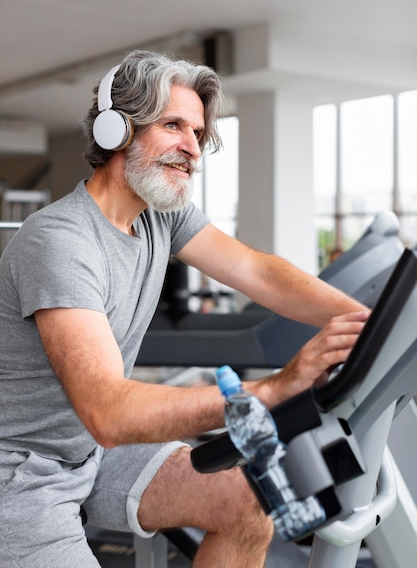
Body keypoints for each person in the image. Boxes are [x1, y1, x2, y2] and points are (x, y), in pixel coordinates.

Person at [0, 50, 369, 568]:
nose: (192, 148)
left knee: (246, 500)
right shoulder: (60, 242)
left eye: (197, 133)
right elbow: (108, 411)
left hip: (92, 454)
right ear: (117, 130)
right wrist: (271, 390)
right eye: (173, 125)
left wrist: (366, 324)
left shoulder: (160, 219)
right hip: (19, 474)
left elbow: (259, 272)